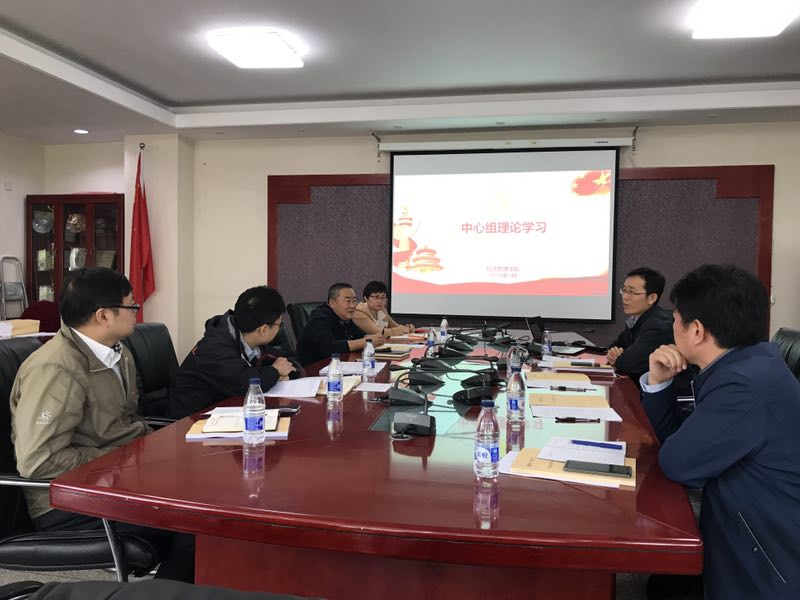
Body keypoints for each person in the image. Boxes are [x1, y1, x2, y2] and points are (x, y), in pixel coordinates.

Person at [9, 267, 194, 582]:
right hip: (67, 500)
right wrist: (124, 459)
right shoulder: (56, 369)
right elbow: (37, 461)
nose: (137, 312)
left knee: (205, 493)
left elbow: (126, 423)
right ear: (104, 316)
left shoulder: (116, 353)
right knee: (196, 522)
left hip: (119, 477)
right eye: (131, 306)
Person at [641, 264, 800, 599]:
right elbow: (683, 442)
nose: (672, 328)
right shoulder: (752, 363)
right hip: (750, 519)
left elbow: (677, 461)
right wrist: (658, 383)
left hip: (767, 559)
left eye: (675, 320)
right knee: (663, 583)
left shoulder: (742, 387)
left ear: (697, 330)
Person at [168, 286, 300, 419]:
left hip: (222, 412)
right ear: (263, 330)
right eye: (279, 325)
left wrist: (283, 373)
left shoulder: (248, 338)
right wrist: (276, 371)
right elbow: (246, 382)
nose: (279, 329)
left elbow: (287, 362)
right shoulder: (215, 348)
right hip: (188, 422)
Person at [606, 267, 674, 384]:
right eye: (624, 290)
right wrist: (615, 354)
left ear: (652, 298)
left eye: (632, 292)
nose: (625, 297)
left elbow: (631, 363)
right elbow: (614, 346)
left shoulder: (659, 325)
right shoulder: (637, 319)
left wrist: (619, 358)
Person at [296, 283, 386, 366]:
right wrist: (367, 342)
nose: (352, 306)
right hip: (315, 369)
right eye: (348, 301)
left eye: (354, 301)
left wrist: (373, 338)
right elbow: (330, 348)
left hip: (339, 365)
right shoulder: (319, 319)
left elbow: (359, 336)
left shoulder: (344, 317)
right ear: (332, 303)